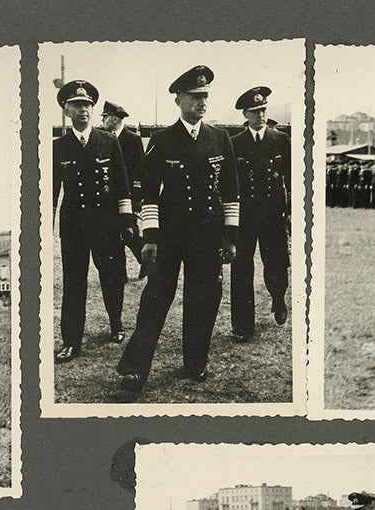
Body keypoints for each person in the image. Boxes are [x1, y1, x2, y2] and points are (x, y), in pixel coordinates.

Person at [116, 65, 239, 394]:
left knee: (203, 300)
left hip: (207, 236)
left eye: (205, 97)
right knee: (154, 301)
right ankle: (135, 371)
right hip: (169, 238)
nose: (202, 102)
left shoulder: (220, 138)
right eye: (195, 97)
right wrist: (151, 239)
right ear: (179, 99)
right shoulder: (161, 140)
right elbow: (149, 195)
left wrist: (229, 237)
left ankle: (195, 361)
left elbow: (231, 192)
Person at [52, 80, 135, 362]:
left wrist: (126, 221)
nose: (83, 110)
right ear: (67, 110)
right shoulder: (59, 147)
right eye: (76, 105)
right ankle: (71, 341)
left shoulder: (108, 141)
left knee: (111, 276)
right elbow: (51, 192)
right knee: (74, 282)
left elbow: (122, 184)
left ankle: (116, 323)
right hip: (74, 225)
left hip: (106, 222)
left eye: (87, 105)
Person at [229, 86, 291, 342]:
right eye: (255, 112)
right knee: (241, 268)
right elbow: (230, 184)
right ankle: (243, 326)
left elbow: (291, 178)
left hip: (273, 215)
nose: (261, 115)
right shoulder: (235, 143)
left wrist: (291, 214)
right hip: (244, 216)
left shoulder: (280, 140)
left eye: (263, 110)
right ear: (245, 114)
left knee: (276, 263)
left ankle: (278, 298)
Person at [101, 100, 146, 275]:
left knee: (129, 232)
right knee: (114, 234)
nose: (103, 121)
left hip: (128, 196)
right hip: (109, 196)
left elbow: (139, 169)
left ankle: (145, 259)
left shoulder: (132, 139)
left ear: (113, 118)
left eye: (105, 117)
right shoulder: (104, 138)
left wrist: (136, 197)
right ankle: (121, 273)